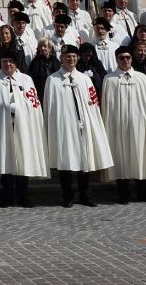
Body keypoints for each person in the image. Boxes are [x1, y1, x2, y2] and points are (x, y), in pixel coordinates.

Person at [42, 44, 113, 207]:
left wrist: (91, 121)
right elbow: (49, 105)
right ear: (61, 58)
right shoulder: (52, 80)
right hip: (63, 126)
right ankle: (67, 196)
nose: (71, 59)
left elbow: (93, 102)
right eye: (67, 57)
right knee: (65, 161)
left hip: (84, 125)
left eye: (74, 56)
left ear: (78, 58)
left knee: (85, 160)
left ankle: (85, 195)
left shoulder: (84, 79)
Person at [101, 46, 146, 204]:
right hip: (118, 125)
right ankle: (123, 194)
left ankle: (143, 192)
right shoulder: (109, 79)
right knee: (120, 157)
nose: (125, 60)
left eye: (128, 57)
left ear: (132, 59)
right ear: (116, 59)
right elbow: (106, 106)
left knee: (140, 155)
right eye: (122, 58)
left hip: (139, 124)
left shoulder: (141, 78)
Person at [0, 52, 47, 207]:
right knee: (5, 158)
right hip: (2, 125)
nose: (7, 64)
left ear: (16, 63)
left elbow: (33, 103)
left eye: (10, 61)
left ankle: (23, 195)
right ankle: (7, 195)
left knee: (22, 159)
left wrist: (18, 106)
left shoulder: (26, 79)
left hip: (23, 125)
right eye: (4, 61)